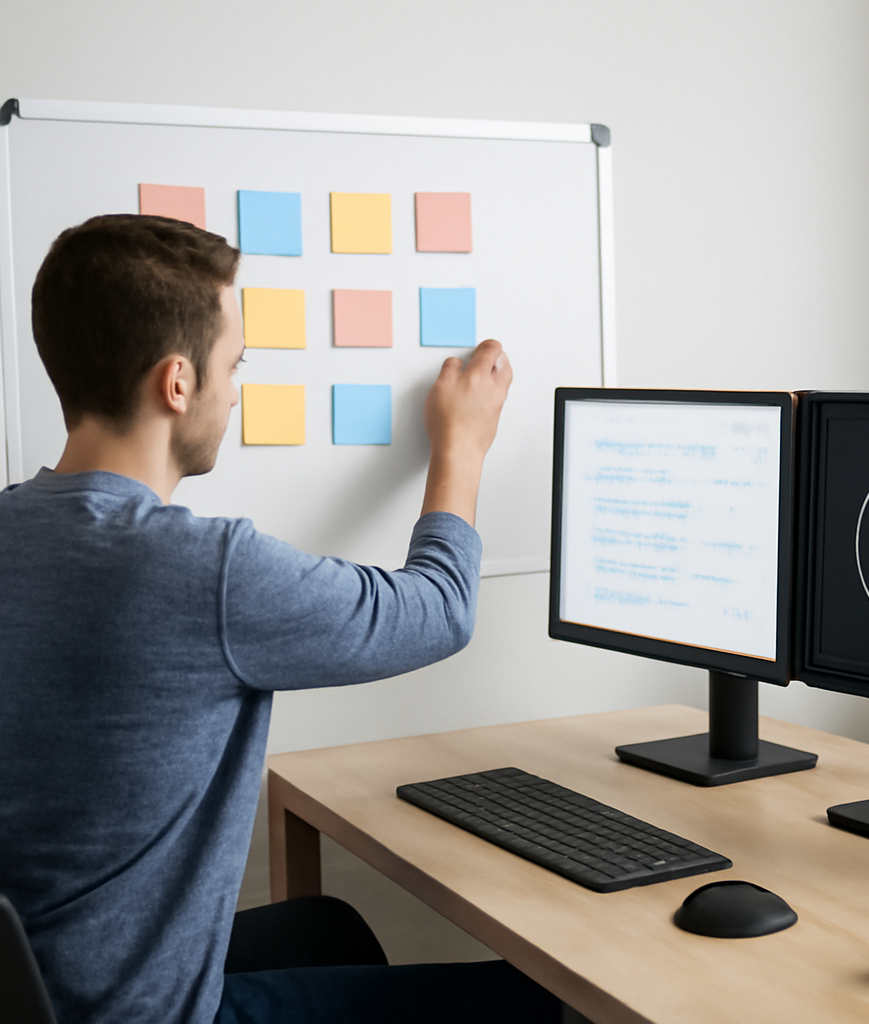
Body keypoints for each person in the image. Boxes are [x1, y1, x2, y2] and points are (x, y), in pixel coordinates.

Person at [0, 214, 561, 1024]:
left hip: (46, 983)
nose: (236, 389)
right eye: (235, 363)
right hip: (146, 1011)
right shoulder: (202, 571)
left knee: (327, 926)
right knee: (534, 1003)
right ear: (178, 383)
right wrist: (464, 443)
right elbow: (440, 609)